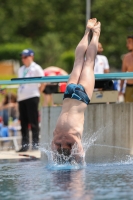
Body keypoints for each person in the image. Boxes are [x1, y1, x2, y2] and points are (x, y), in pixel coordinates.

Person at [51, 18, 101, 163]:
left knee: (89, 62)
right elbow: (53, 157)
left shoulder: (73, 139)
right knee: (78, 60)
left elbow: (80, 159)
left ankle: (96, 33)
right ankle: (87, 32)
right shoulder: (56, 139)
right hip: (68, 94)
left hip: (81, 96)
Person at [17, 49, 44, 152]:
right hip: (22, 97)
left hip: (32, 96)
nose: (23, 59)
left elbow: (43, 82)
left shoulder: (36, 68)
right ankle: (24, 145)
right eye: (22, 57)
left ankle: (35, 144)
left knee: (33, 121)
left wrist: (38, 92)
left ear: (31, 56)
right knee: (23, 122)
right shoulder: (21, 69)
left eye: (25, 57)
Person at [119, 35, 133, 102]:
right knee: (128, 109)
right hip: (129, 87)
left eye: (129, 42)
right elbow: (123, 74)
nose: (127, 45)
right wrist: (120, 90)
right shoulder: (126, 57)